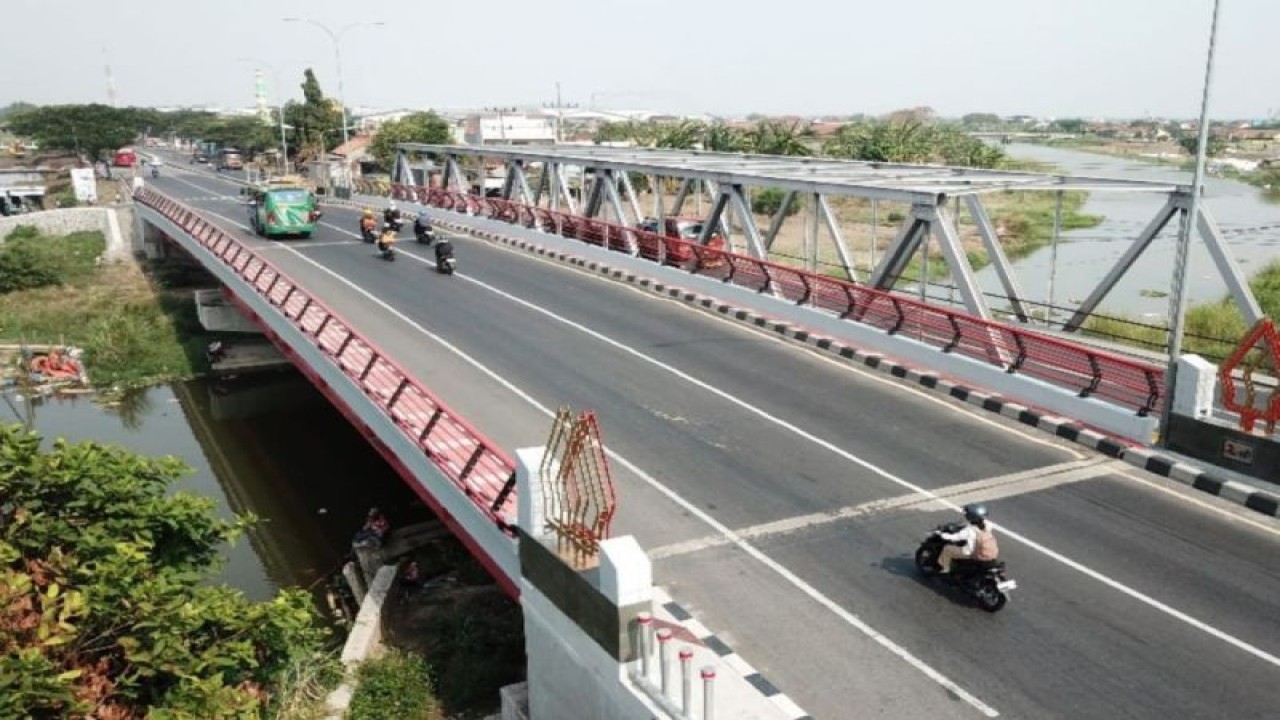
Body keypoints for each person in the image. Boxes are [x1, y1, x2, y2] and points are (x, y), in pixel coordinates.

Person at [936, 503, 999, 575]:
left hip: (970, 553)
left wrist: (942, 534)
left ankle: (945, 568)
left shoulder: (969, 530)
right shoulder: (988, 525)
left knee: (947, 549)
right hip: (985, 550)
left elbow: (955, 538)